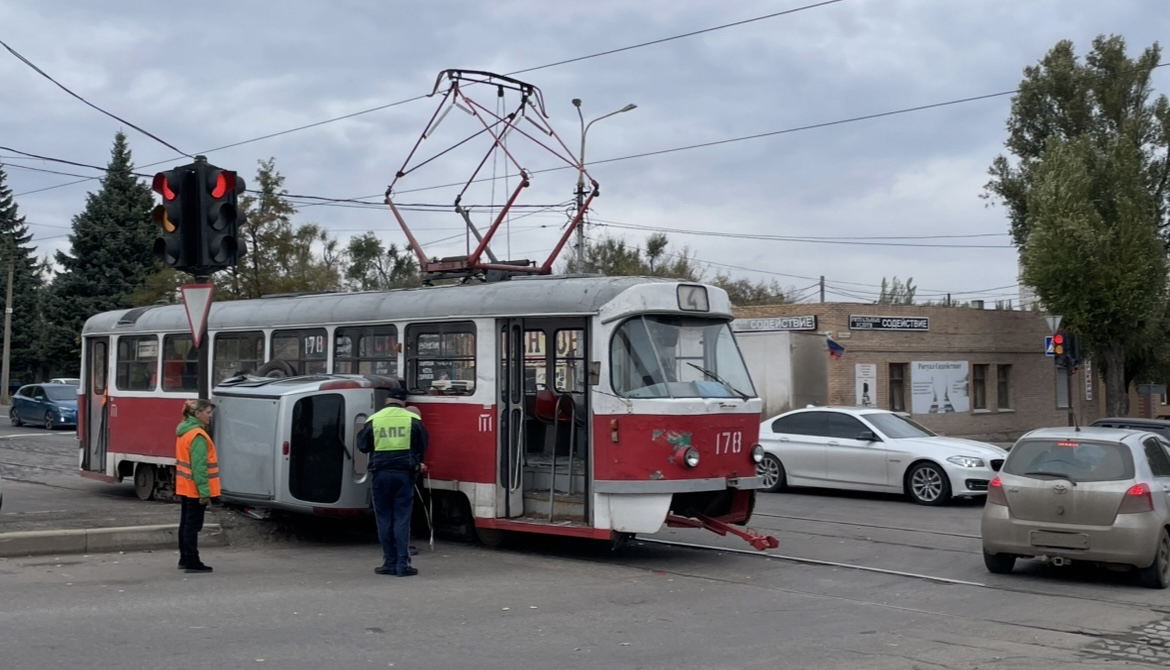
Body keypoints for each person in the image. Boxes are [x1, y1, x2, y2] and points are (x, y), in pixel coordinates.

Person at [359, 387, 428, 577]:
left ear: (387, 401)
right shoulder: (413, 420)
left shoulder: (374, 419)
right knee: (402, 518)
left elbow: (362, 446)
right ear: (403, 402)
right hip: (404, 474)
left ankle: (389, 563)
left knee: (384, 518)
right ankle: (402, 566)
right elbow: (422, 445)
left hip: (380, 474)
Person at [175, 399, 220, 573]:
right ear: (198, 413)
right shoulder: (198, 436)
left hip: (185, 486)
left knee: (186, 524)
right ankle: (192, 561)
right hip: (195, 488)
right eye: (208, 413)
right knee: (193, 526)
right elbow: (199, 468)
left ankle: (184, 559)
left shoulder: (184, 432)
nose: (210, 416)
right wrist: (204, 492)